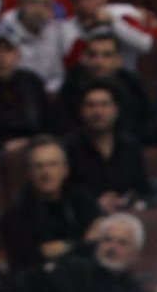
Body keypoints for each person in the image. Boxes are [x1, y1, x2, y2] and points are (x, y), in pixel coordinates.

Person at [0, 136, 98, 271]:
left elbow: (97, 242)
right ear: (28, 173)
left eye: (52, 165)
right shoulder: (15, 215)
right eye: (38, 166)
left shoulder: (83, 200)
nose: (46, 172)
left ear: (65, 170)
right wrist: (81, 244)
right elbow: (28, 260)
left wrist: (65, 246)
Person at [12, 210, 151, 292]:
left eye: (122, 243)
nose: (112, 248)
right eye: (107, 240)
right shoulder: (72, 271)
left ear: (135, 252)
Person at [63, 78, 151, 213]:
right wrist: (94, 204)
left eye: (104, 105)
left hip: (128, 215)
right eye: (90, 105)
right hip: (84, 218)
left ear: (116, 109)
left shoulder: (130, 145)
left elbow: (143, 188)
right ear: (81, 111)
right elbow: (64, 194)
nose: (97, 112)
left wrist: (130, 199)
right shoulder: (67, 148)